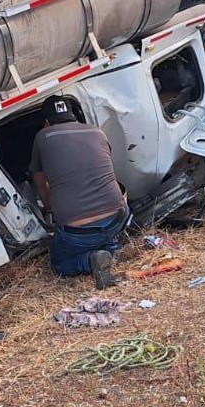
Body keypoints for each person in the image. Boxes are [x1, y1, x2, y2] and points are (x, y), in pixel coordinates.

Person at [28, 95, 128, 289]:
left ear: (46, 122)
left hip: (78, 233)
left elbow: (39, 182)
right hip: (118, 218)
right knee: (104, 236)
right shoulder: (97, 131)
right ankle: (110, 250)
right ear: (73, 116)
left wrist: (49, 208)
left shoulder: (43, 136)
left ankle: (90, 260)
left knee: (59, 264)